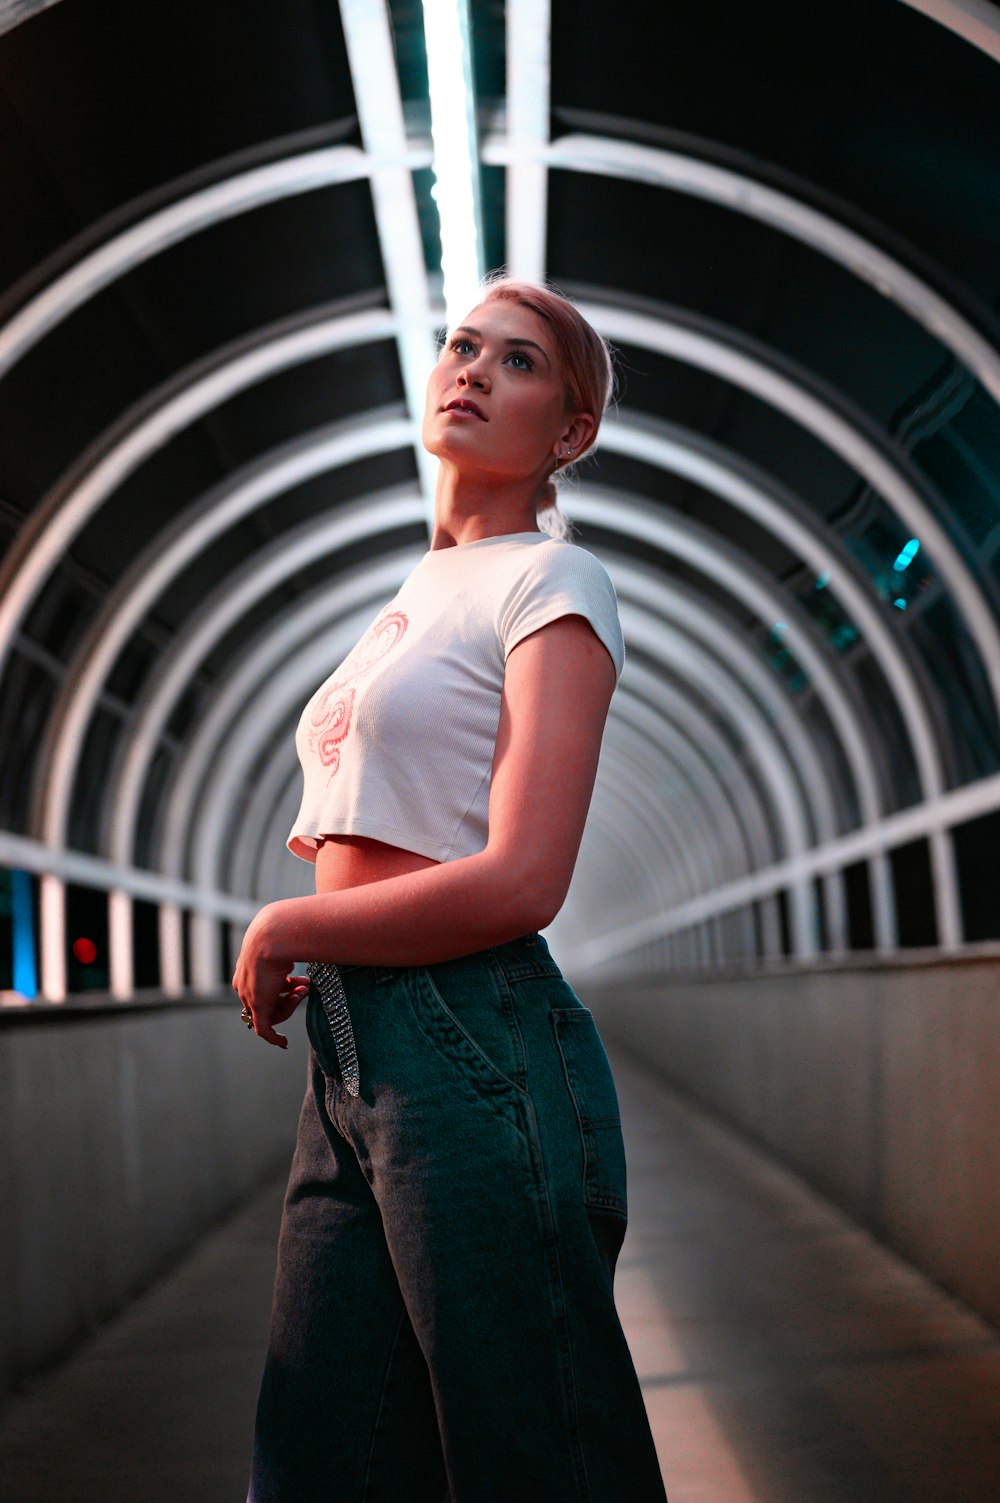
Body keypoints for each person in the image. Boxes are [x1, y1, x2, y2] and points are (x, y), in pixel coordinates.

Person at [233, 275, 669, 1502]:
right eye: (462, 346)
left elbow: (526, 877)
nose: (473, 369)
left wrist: (294, 920)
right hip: (350, 1053)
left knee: (536, 1455)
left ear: (569, 433)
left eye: (519, 363)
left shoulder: (553, 584)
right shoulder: (416, 593)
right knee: (318, 1460)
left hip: (470, 1037)